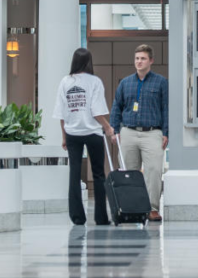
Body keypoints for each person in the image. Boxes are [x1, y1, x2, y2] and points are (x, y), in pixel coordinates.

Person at [54, 48, 114, 226]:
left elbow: (61, 113)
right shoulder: (95, 82)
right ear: (89, 62)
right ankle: (101, 217)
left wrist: (64, 137)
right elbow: (96, 111)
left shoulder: (65, 82)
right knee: (98, 174)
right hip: (93, 134)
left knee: (74, 173)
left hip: (72, 134)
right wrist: (108, 128)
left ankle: (77, 218)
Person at [110, 44, 168, 222]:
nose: (139, 62)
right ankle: (130, 208)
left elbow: (166, 109)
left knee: (154, 171)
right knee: (128, 172)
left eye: (143, 58)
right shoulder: (125, 83)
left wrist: (166, 133)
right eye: (137, 58)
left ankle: (152, 209)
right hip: (128, 132)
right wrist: (114, 130)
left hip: (152, 133)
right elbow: (116, 107)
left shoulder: (161, 82)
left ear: (151, 60)